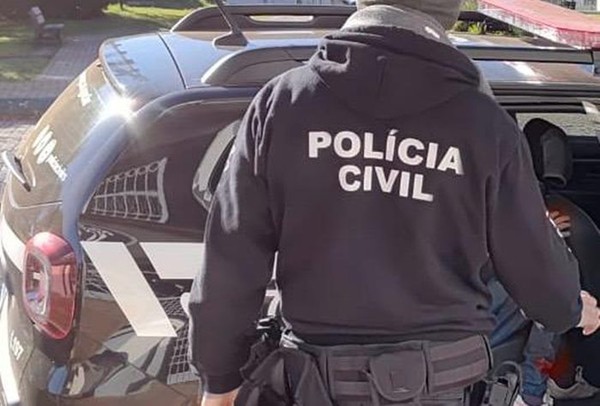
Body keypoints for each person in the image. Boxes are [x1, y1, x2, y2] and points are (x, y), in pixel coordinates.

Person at [187, 1, 600, 405]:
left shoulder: (282, 104)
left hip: (313, 384)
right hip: (442, 386)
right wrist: (571, 309)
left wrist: (220, 380)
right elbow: (536, 269)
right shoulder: (484, 125)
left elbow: (231, 260)